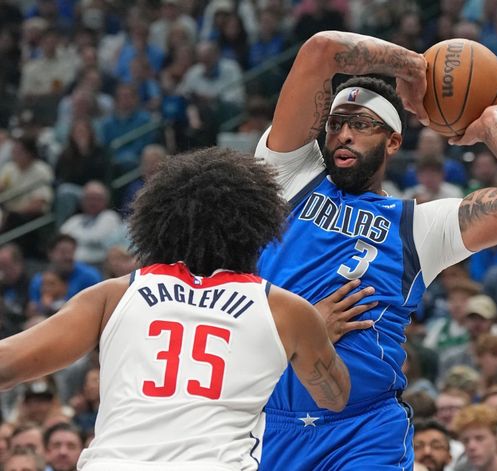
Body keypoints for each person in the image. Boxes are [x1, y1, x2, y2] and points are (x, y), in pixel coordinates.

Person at [254, 29, 497, 469]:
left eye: (361, 124)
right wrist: (414, 67)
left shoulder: (418, 226)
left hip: (363, 431)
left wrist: (492, 126)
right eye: (336, 123)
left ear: (394, 141)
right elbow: (321, 50)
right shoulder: (288, 175)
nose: (343, 134)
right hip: (269, 422)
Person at [0, 147, 350, 469]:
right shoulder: (286, 310)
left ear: (155, 224)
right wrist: (311, 337)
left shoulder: (114, 295)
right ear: (257, 231)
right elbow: (334, 397)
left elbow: (7, 365)